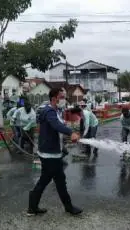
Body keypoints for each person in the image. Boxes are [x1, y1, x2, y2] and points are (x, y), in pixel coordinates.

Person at [27, 88, 82, 216]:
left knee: (57, 180)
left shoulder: (55, 111)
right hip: (49, 154)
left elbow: (57, 129)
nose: (63, 99)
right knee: (50, 180)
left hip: (52, 153)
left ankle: (34, 207)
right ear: (54, 98)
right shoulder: (49, 111)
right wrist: (71, 133)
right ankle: (34, 207)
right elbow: (56, 126)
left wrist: (68, 137)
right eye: (61, 97)